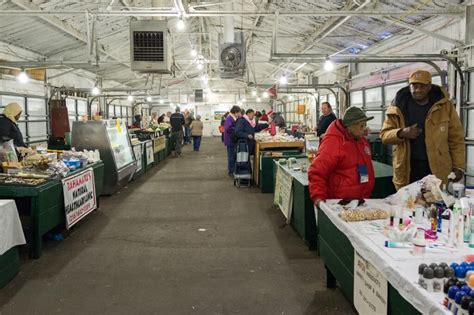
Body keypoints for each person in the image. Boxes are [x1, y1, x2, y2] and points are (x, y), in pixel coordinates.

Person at [380, 70, 465, 190]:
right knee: (409, 204)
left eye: (422, 86)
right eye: (414, 86)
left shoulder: (444, 106)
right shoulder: (397, 107)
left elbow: (456, 138)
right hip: (408, 168)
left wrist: (459, 166)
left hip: (436, 168)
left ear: (429, 86)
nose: (418, 89)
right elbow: (384, 135)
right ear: (409, 86)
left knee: (436, 203)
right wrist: (402, 133)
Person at [308, 107, 375, 206]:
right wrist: (318, 196)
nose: (365, 129)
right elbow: (317, 172)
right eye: (361, 126)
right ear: (350, 126)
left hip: (361, 200)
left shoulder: (361, 140)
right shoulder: (333, 143)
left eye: (365, 125)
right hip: (340, 203)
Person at [224, 106, 242, 176]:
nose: (239, 114)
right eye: (239, 112)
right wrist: (236, 129)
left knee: (233, 156)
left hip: (232, 140)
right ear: (235, 112)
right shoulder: (229, 118)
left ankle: (233, 169)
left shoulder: (233, 118)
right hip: (230, 140)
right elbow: (228, 128)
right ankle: (231, 171)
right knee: (231, 156)